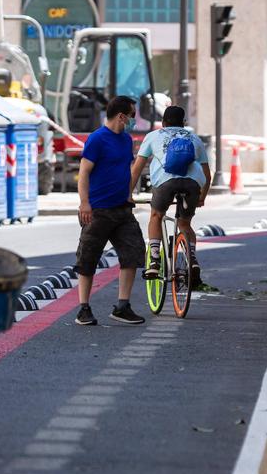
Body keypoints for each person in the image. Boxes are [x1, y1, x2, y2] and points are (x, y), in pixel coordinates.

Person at [74, 95, 146, 326]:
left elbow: (127, 168)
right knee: (88, 258)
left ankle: (122, 306)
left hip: (123, 210)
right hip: (98, 210)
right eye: (132, 115)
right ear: (121, 116)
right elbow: (84, 172)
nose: (134, 120)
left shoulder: (126, 140)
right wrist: (85, 203)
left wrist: (129, 194)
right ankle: (84, 309)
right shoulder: (97, 139)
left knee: (132, 254)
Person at [131, 105, 211, 283]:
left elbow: (136, 170)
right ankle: (193, 259)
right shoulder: (194, 138)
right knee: (185, 223)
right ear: (183, 123)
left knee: (156, 215)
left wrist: (128, 194)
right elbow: (207, 176)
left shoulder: (153, 136)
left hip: (165, 183)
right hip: (192, 184)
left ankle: (154, 260)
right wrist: (201, 197)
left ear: (163, 122)